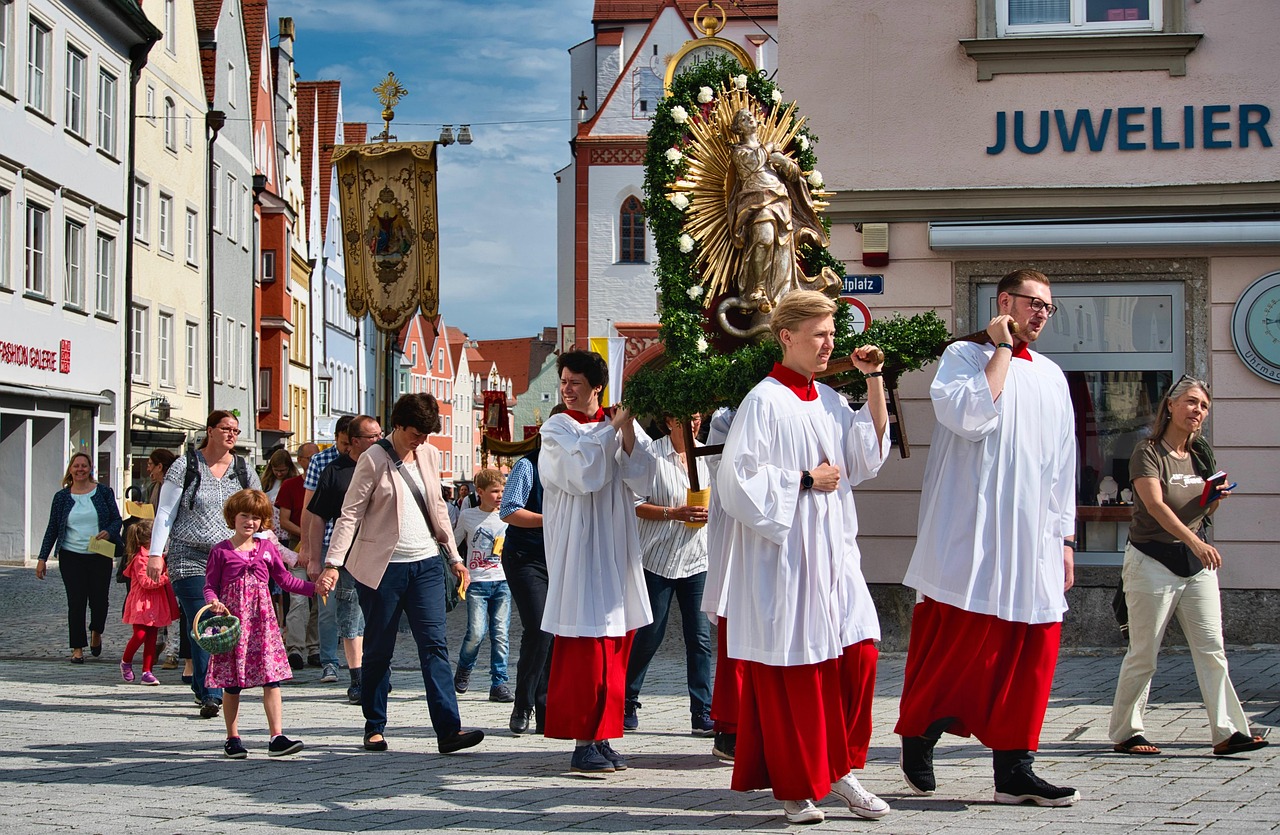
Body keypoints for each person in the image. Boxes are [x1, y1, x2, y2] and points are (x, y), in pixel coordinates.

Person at [896, 269, 1079, 807]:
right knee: (960, 642)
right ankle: (920, 730)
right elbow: (971, 416)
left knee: (1033, 647)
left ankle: (1014, 769)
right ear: (1004, 303)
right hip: (971, 531)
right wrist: (1000, 347)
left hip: (1034, 536)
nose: (1042, 314)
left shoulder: (1051, 376)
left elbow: (1063, 463)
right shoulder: (963, 357)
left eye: (1049, 307)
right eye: (1032, 303)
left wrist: (1066, 539)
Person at [718, 290, 891, 825]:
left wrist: (873, 381)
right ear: (787, 336)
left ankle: (837, 767)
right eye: (820, 334)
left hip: (835, 554)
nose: (830, 343)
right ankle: (797, 788)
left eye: (832, 334)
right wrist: (802, 480)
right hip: (786, 557)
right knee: (796, 670)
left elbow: (866, 458)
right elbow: (736, 481)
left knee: (858, 654)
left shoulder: (831, 399)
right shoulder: (764, 401)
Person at [1109, 377, 1268, 758]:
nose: (1199, 411)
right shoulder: (1148, 452)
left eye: (1204, 406)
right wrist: (1196, 541)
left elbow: (1203, 509)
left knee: (1213, 648)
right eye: (1193, 403)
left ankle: (1227, 732)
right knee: (1144, 652)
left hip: (1194, 564)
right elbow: (1156, 506)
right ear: (1172, 406)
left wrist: (1215, 499)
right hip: (1151, 560)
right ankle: (1127, 731)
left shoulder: (1201, 454)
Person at [320, 394, 484, 756]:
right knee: (379, 649)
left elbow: (438, 508)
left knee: (435, 647)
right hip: (382, 568)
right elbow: (349, 515)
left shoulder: (428, 454)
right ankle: (374, 725)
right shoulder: (373, 459)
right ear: (398, 425)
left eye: (426, 433)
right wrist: (332, 564)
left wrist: (455, 558)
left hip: (425, 563)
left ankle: (448, 730)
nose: (421, 439)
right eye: (416, 432)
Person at [539, 350, 655, 774]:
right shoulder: (557, 428)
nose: (567, 390)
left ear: (597, 387)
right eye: (564, 382)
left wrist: (624, 434)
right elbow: (584, 474)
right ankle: (582, 740)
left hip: (615, 542)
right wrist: (613, 430)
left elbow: (641, 473)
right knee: (586, 645)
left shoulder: (616, 422)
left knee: (615, 641)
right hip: (581, 545)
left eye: (575, 383)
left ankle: (603, 735)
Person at [150, 409, 261, 718]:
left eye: (236, 431)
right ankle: (211, 692)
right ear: (210, 431)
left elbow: (259, 511)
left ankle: (204, 686)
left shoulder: (243, 469)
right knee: (205, 619)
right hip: (190, 556)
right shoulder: (185, 466)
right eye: (226, 428)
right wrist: (156, 554)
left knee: (222, 625)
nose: (231, 435)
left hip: (231, 557)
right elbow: (165, 513)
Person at [205, 489, 323, 759]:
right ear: (232, 517)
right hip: (232, 622)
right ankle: (232, 737)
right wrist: (214, 602)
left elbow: (285, 580)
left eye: (257, 517)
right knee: (231, 682)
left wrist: (314, 588)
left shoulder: (267, 548)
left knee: (272, 679)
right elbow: (210, 585)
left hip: (263, 622)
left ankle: (276, 736)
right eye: (245, 515)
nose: (250, 522)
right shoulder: (221, 551)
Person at [623, 414, 714, 737]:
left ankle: (701, 710)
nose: (692, 424)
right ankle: (627, 699)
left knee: (700, 639)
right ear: (668, 421)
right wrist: (673, 513)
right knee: (650, 634)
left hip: (697, 559)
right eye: (684, 419)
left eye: (697, 418)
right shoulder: (652, 456)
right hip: (656, 558)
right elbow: (634, 503)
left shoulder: (707, 455)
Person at [728, 108, 837, 312]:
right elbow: (753, 163)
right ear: (738, 128)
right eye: (743, 119)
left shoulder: (771, 149)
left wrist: (784, 162)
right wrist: (769, 148)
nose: (749, 119)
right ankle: (758, 287)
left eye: (751, 116)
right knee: (764, 238)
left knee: (782, 251)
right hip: (756, 202)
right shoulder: (739, 151)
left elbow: (794, 174)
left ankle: (780, 297)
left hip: (780, 200)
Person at [499, 405, 565, 736]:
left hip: (562, 559)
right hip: (527, 557)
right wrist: (550, 520)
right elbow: (508, 510)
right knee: (540, 628)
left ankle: (547, 708)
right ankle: (523, 703)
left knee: (557, 632)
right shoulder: (528, 465)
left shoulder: (578, 467)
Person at [306, 415, 381, 704]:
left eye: (380, 435)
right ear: (354, 441)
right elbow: (317, 518)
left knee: (378, 616)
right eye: (372, 437)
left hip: (381, 554)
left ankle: (377, 672)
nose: (378, 441)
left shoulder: (385, 465)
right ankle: (358, 678)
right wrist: (315, 558)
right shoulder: (334, 472)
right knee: (350, 615)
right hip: (346, 556)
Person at [36, 451, 124, 663]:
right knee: (76, 602)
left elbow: (116, 519)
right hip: (71, 556)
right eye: (76, 466)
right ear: (70, 469)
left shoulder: (103, 492)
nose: (80, 469)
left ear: (90, 469)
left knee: (99, 601)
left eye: (84, 466)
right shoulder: (62, 497)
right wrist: (42, 558)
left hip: (99, 554)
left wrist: (109, 532)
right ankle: (77, 648)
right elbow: (52, 528)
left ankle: (96, 632)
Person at [299, 419, 355, 679]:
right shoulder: (321, 462)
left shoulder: (367, 460)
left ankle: (360, 661)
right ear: (337, 437)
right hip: (327, 544)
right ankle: (330, 661)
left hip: (358, 547)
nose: (347, 448)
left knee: (359, 606)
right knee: (328, 606)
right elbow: (310, 510)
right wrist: (309, 552)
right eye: (344, 443)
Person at [452, 468, 514, 703]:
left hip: (502, 581)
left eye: (502, 491)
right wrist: (455, 564)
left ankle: (499, 682)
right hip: (477, 582)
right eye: (494, 491)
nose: (500, 495)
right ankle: (465, 668)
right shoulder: (468, 516)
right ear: (480, 492)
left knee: (501, 633)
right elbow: (455, 542)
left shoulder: (507, 516)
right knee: (476, 632)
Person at [702, 406, 742, 763]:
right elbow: (725, 471)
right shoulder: (725, 419)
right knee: (738, 649)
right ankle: (730, 727)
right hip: (738, 543)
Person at [119, 520, 180, 685]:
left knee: (152, 638)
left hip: (155, 602)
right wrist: (166, 577)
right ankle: (126, 661)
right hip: (142, 602)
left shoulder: (158, 556)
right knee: (140, 634)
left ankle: (147, 671)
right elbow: (147, 582)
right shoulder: (141, 559)